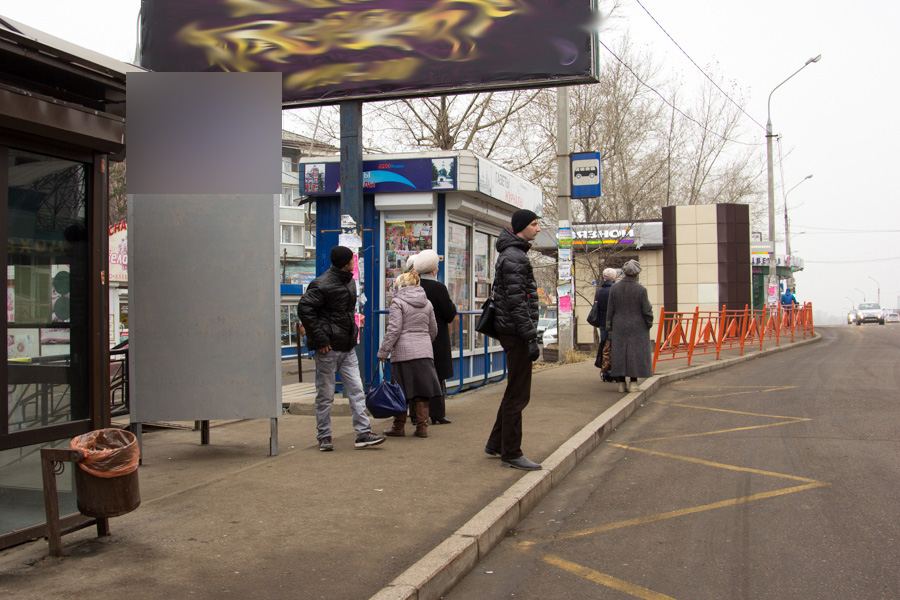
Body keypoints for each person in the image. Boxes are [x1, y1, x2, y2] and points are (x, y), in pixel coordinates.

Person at [298, 246, 385, 451]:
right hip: (328, 348)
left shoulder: (349, 281)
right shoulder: (322, 284)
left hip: (347, 346)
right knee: (326, 394)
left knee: (356, 389)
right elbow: (304, 308)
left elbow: (345, 311)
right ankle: (324, 435)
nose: (354, 262)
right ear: (346, 263)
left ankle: (363, 433)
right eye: (352, 259)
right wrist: (319, 340)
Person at [485, 209, 542, 471]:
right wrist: (530, 337)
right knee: (519, 394)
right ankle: (512, 452)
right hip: (516, 332)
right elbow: (518, 302)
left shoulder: (512, 254)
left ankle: (497, 444)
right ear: (521, 228)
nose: (538, 228)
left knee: (514, 391)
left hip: (512, 330)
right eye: (534, 224)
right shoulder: (515, 257)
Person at [377, 272, 442, 438]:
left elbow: (394, 329)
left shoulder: (397, 302)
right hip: (424, 353)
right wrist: (424, 343)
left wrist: (384, 351)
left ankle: (398, 427)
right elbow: (433, 330)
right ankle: (422, 428)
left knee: (401, 391)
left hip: (403, 353)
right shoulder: (427, 303)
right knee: (422, 391)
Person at [414, 249, 458, 425]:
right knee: (437, 375)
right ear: (433, 269)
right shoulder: (439, 288)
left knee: (417, 375)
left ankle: (415, 414)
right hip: (436, 338)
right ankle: (437, 413)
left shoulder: (413, 286)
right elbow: (448, 314)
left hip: (416, 336)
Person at [605, 259, 654, 393]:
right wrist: (648, 323)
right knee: (634, 354)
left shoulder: (615, 288)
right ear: (637, 274)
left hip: (619, 325)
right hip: (637, 326)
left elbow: (610, 310)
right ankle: (633, 383)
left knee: (620, 353)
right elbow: (647, 310)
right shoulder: (641, 290)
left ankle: (621, 383)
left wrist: (609, 327)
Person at [592, 268, 616, 382]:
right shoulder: (615, 290)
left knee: (604, 345)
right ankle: (614, 370)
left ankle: (605, 370)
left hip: (602, 323)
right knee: (613, 346)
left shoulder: (600, 291)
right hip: (613, 323)